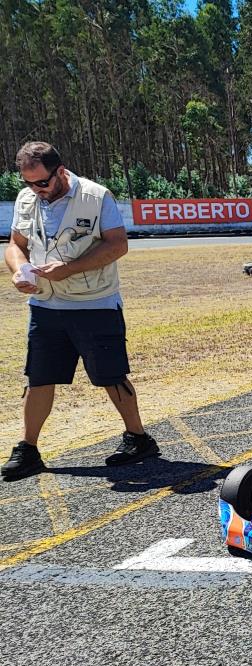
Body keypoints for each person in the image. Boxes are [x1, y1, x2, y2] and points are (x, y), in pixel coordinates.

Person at [2, 142, 158, 482]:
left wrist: (69, 269)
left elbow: (117, 244)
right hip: (45, 305)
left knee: (110, 375)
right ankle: (28, 448)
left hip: (94, 302)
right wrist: (18, 271)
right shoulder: (27, 199)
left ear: (60, 171)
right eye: (28, 183)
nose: (36, 189)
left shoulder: (95, 196)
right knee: (38, 377)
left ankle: (138, 438)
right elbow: (16, 245)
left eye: (42, 182)